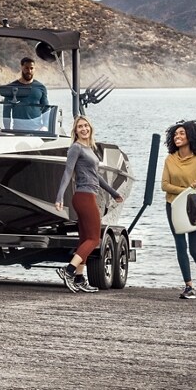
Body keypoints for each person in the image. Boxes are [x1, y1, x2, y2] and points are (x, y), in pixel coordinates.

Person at [53, 116, 124, 293]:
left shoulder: (89, 148)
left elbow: (96, 176)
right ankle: (68, 270)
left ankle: (79, 278)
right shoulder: (76, 148)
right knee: (94, 239)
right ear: (75, 131)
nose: (84, 129)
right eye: (80, 127)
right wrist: (60, 196)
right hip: (84, 196)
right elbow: (68, 172)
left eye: (86, 126)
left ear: (90, 128)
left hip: (88, 195)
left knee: (85, 239)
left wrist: (114, 193)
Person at [161, 119, 196, 300]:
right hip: (173, 206)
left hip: (194, 207)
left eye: (181, 133)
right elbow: (165, 185)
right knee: (180, 246)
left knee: (194, 249)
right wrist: (187, 191)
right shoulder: (170, 159)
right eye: (175, 134)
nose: (178, 136)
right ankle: (188, 286)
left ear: (191, 136)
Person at [1, 57, 48, 130]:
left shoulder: (41, 87)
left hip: (37, 130)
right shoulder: (11, 88)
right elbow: (6, 112)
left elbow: (46, 109)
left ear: (34, 69)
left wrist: (45, 126)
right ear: (22, 67)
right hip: (18, 130)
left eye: (31, 68)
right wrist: (7, 129)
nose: (29, 71)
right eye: (26, 68)